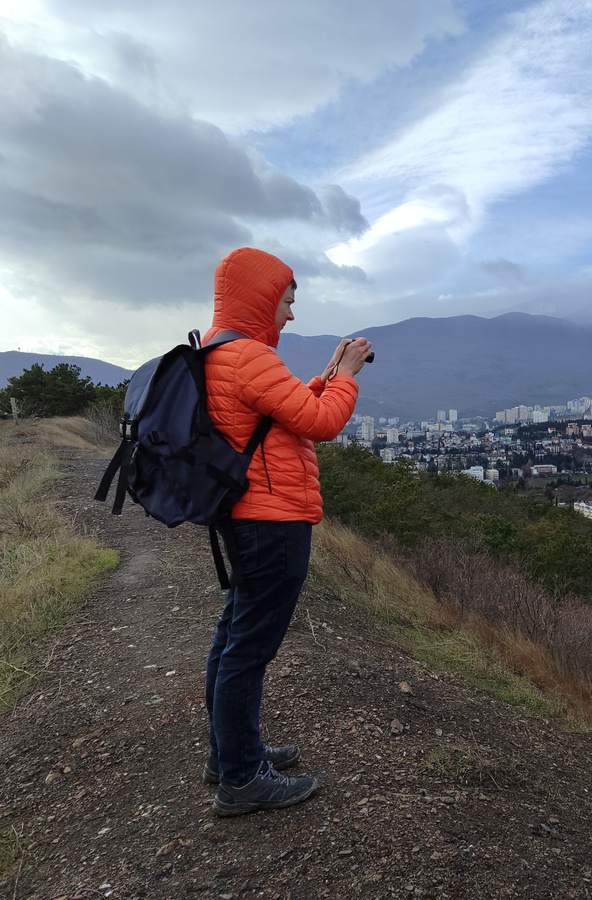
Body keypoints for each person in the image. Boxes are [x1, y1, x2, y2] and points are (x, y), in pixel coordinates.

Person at [200, 247, 372, 816]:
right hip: (271, 521)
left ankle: (229, 753)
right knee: (248, 649)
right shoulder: (249, 356)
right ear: (261, 298)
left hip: (245, 515)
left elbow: (284, 409)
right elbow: (321, 422)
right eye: (287, 301)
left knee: (233, 637)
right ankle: (243, 778)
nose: (291, 315)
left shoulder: (220, 352)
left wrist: (326, 374)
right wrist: (347, 379)